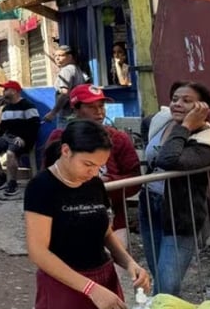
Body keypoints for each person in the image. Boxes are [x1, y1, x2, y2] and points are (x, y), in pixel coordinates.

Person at [25, 120, 150, 309]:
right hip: (65, 283)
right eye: (88, 164)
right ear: (66, 151)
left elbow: (105, 233)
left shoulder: (94, 184)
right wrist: (90, 288)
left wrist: (129, 263)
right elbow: (38, 252)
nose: (93, 173)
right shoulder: (41, 186)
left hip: (104, 277)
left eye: (99, 167)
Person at [139, 82, 210, 296]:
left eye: (186, 100)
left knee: (167, 284)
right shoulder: (160, 122)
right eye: (174, 99)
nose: (177, 104)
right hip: (150, 206)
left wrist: (186, 126)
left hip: (180, 215)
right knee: (159, 276)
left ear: (202, 108)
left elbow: (169, 159)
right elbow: (151, 147)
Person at [45, 85, 141, 249]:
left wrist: (108, 183)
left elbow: (134, 177)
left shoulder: (118, 138)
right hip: (70, 218)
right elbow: (48, 177)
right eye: (91, 107)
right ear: (76, 109)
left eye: (101, 106)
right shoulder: (60, 138)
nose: (99, 112)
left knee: (112, 268)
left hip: (113, 220)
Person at [0, 81, 41, 199]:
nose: (3, 92)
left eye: (6, 89)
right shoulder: (6, 109)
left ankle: (12, 183)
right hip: (8, 137)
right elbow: (2, 127)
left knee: (11, 153)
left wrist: (25, 139)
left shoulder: (28, 105)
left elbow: (34, 125)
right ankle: (1, 176)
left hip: (24, 139)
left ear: (14, 91)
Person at [43, 46, 88, 126]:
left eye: (60, 55)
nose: (57, 58)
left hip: (67, 115)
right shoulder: (76, 69)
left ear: (70, 57)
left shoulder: (66, 70)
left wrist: (53, 113)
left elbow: (64, 94)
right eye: (55, 55)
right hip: (76, 114)